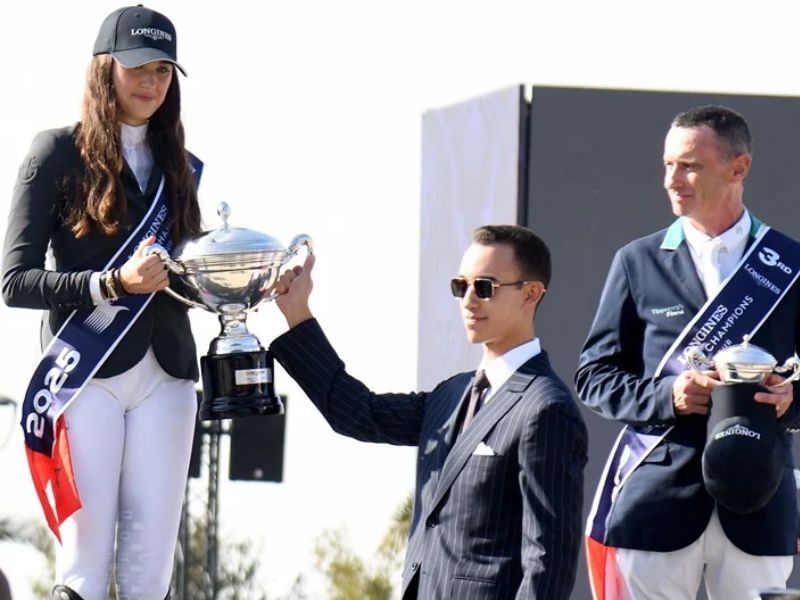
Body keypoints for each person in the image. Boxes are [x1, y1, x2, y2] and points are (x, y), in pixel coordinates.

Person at [271, 224, 588, 599]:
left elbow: (548, 562)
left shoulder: (546, 408)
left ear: (531, 293)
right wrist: (298, 314)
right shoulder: (451, 394)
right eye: (461, 286)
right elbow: (357, 412)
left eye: (485, 287)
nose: (469, 300)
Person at [1, 6, 201, 600]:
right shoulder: (56, 151)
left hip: (167, 375)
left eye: (164, 70)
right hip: (85, 373)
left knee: (149, 577)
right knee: (85, 572)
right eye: (138, 66)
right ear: (104, 68)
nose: (151, 81)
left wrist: (232, 283)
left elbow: (178, 278)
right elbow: (14, 281)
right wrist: (110, 284)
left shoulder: (178, 166)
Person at [576, 105, 800, 600]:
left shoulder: (791, 265)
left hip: (760, 502)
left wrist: (790, 399)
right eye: (667, 165)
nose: (671, 180)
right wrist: (670, 395)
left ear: (737, 168)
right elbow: (593, 377)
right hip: (656, 504)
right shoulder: (637, 261)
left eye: (689, 165)